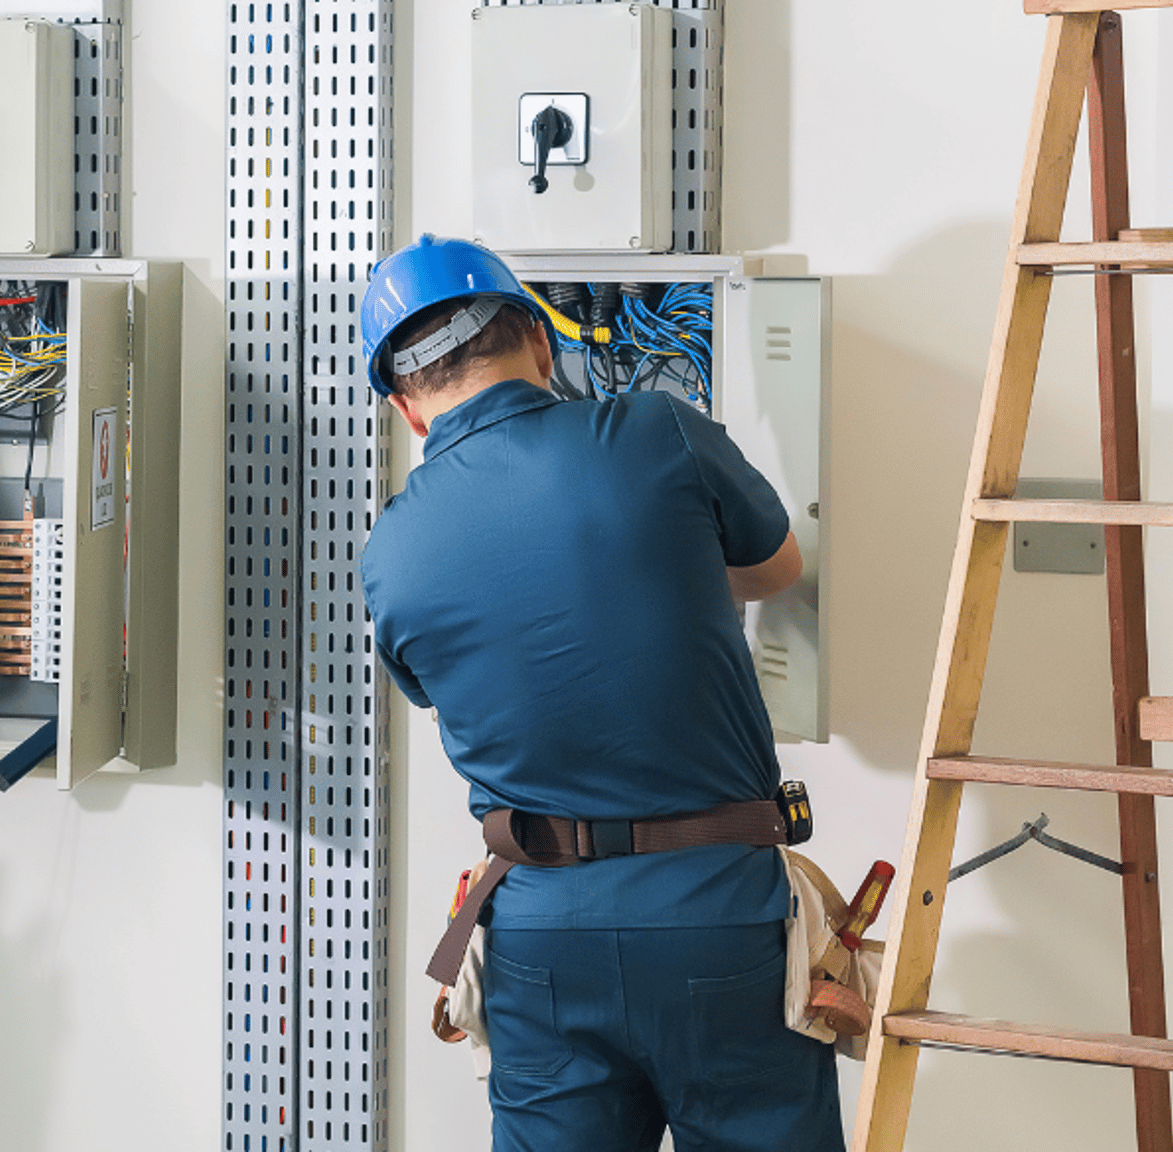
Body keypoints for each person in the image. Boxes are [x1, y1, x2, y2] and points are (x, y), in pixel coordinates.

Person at [357, 235, 840, 1152]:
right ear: (541, 343)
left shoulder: (392, 553)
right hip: (717, 913)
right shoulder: (658, 431)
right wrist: (668, 561)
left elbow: (438, 686)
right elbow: (777, 567)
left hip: (539, 936)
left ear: (406, 409)